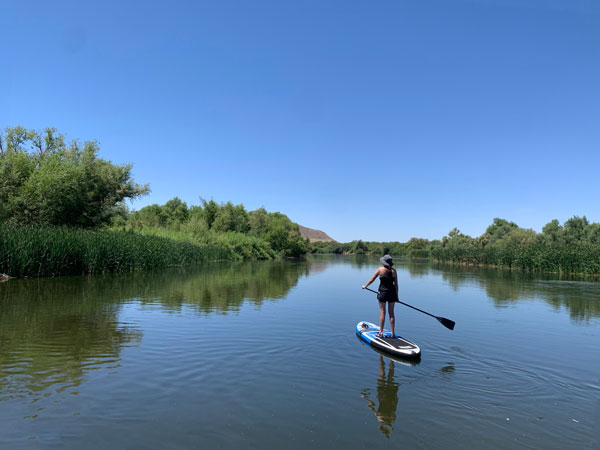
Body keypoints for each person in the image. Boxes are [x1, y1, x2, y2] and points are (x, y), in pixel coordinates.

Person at [362, 255, 399, 338]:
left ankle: (381, 332)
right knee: (391, 314)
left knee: (382, 312)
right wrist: (397, 296)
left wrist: (366, 286)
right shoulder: (394, 271)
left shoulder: (380, 269)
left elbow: (372, 279)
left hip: (382, 293)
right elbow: (396, 285)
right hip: (392, 294)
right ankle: (393, 334)